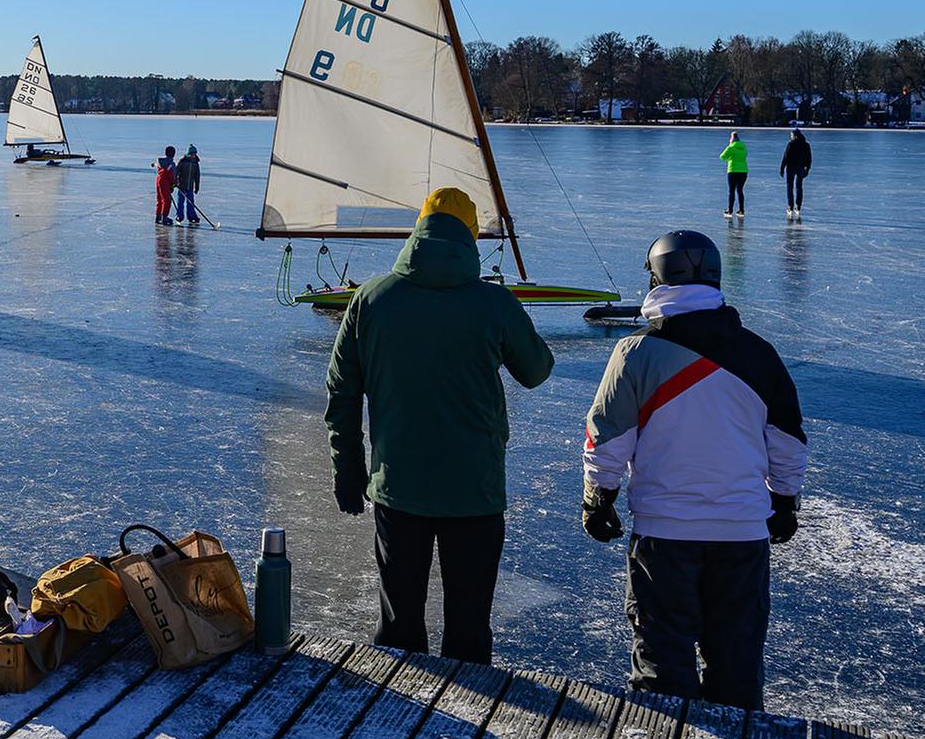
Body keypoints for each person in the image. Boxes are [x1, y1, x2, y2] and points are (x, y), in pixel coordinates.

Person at [325, 187, 554, 665]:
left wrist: (348, 472)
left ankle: (397, 721)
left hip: (398, 489)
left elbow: (342, 394)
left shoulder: (370, 300)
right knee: (469, 628)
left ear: (418, 232)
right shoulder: (494, 303)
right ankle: (473, 716)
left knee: (399, 626)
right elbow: (536, 372)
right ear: (470, 238)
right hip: (475, 492)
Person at [581, 230, 806, 708]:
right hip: (742, 533)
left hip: (666, 535)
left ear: (657, 278)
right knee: (737, 663)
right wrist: (784, 501)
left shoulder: (635, 354)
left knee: (663, 663)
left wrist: (598, 498)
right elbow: (786, 438)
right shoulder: (757, 352)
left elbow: (608, 436)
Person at [779, 129, 811, 218]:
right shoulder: (806, 145)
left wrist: (782, 167)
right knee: (799, 187)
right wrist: (808, 168)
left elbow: (785, 156)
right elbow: (809, 158)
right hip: (801, 168)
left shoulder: (791, 144)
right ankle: (798, 206)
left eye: (791, 135)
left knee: (790, 187)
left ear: (795, 135)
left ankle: (790, 206)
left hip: (791, 168)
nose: (791, 136)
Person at [719, 131, 748, 217]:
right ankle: (741, 210)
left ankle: (730, 210)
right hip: (743, 171)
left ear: (731, 139)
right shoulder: (744, 148)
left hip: (732, 171)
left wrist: (729, 158)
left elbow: (722, 156)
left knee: (732, 191)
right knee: (740, 191)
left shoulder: (730, 148)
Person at [175, 144, 202, 225]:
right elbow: (176, 172)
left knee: (191, 202)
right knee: (180, 202)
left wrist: (197, 187)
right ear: (188, 154)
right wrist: (175, 182)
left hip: (190, 186)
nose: (193, 155)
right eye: (192, 154)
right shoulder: (182, 161)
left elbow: (197, 176)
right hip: (181, 186)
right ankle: (179, 216)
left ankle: (192, 217)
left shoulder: (196, 163)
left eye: (194, 154)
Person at [154, 146, 177, 226]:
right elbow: (172, 177)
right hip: (165, 182)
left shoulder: (159, 161)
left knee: (160, 199)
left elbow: (155, 165)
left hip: (158, 180)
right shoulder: (172, 164)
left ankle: (158, 216)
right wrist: (173, 185)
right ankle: (164, 217)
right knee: (167, 200)